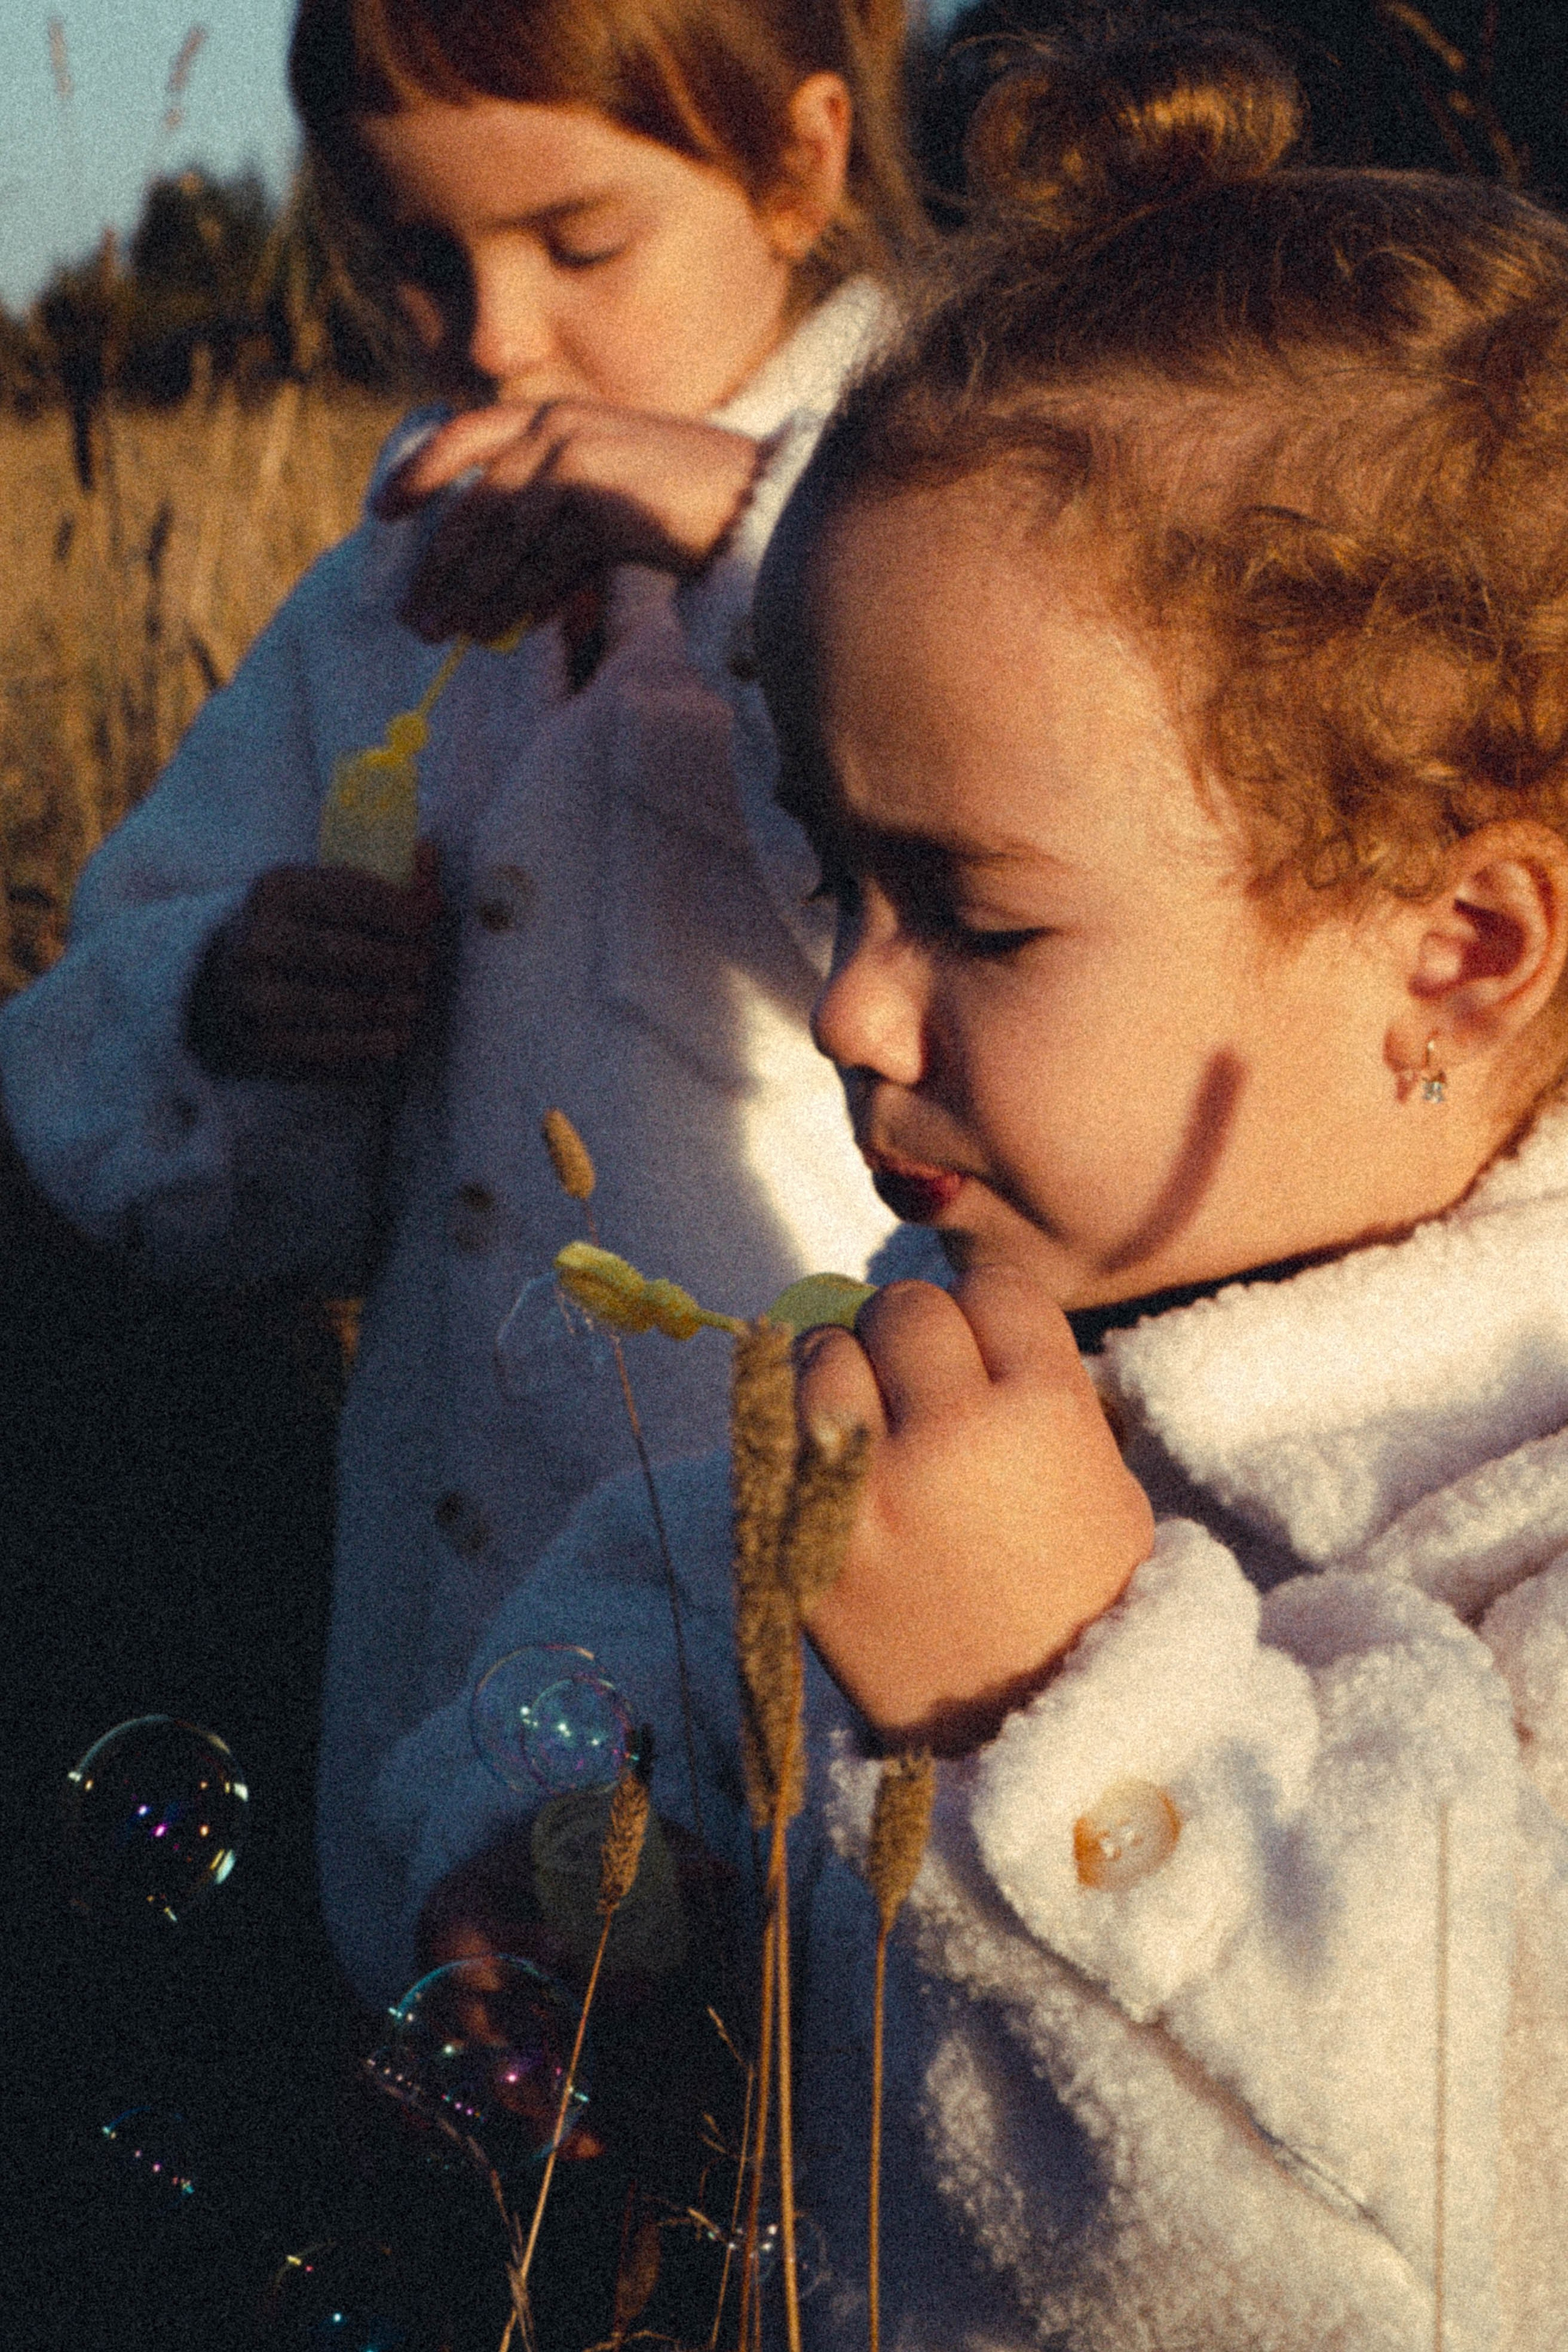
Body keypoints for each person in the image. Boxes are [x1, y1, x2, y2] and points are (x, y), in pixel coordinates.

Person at [377, 28, 1568, 2345]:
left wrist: (1048, 1695)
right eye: (834, 879)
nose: (849, 1008)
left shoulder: (1515, 1487)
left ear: (1460, 945)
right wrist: (550, 1859)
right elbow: (633, 1609)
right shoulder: (948, 1306)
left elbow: (1486, 2215)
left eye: (977, 916)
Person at [0, 0, 928, 2000]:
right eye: (421, 252)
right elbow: (99, 1104)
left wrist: (750, 548)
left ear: (803, 162)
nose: (493, 333)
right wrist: (236, 999)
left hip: (835, 1655)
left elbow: (988, 953)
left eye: (577, 245)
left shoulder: (946, 533)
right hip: (458, 1658)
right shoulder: (387, 595)